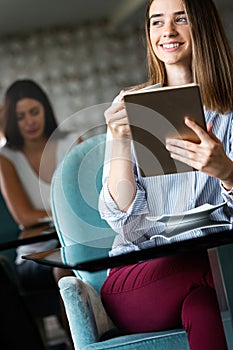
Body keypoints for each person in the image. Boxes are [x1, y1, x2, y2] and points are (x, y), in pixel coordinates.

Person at [98, 0, 233, 349]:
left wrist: (227, 173)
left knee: (204, 306)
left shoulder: (230, 114)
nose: (167, 31)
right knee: (215, 274)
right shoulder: (132, 106)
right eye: (156, 22)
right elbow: (122, 219)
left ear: (202, 27)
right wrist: (119, 140)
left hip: (211, 268)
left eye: (181, 19)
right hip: (141, 276)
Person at [0, 79, 78, 349]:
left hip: (75, 242)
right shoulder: (6, 158)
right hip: (34, 255)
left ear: (45, 110)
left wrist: (51, 213)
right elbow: (24, 217)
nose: (29, 121)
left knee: (73, 264)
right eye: (20, 116)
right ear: (11, 119)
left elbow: (88, 201)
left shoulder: (71, 142)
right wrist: (66, 210)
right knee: (63, 270)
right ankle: (77, 343)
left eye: (34, 111)